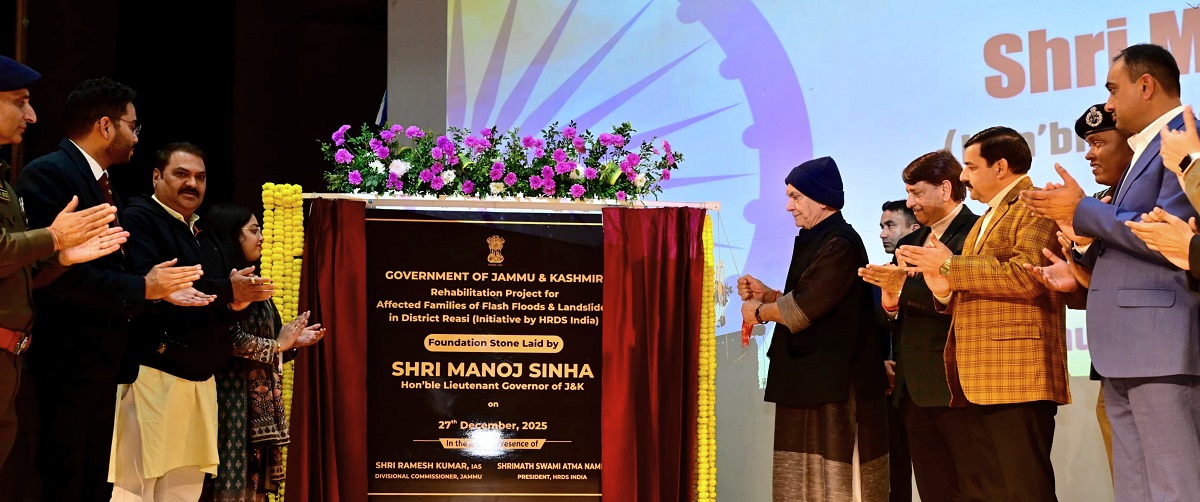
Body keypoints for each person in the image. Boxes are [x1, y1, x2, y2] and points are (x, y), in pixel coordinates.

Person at [1020, 44, 1200, 501]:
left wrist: (1081, 209)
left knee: (1175, 484)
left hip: (1161, 345)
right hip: (1126, 347)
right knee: (1133, 486)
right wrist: (1082, 250)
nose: (1109, 104)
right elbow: (1128, 243)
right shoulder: (1143, 150)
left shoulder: (1185, 141)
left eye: (1113, 90)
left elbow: (1167, 236)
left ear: (1146, 85)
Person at [14, 77, 202, 501]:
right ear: (105, 126)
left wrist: (155, 287)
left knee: (93, 480)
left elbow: (102, 265)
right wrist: (143, 288)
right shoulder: (49, 174)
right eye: (132, 126)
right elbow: (54, 275)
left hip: (97, 361)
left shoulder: (98, 179)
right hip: (63, 360)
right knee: (61, 480)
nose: (136, 137)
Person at [896, 127, 1073, 501]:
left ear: (1001, 167)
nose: (963, 176)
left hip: (1017, 376)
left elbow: (1027, 276)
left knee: (1024, 490)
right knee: (988, 491)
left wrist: (948, 267)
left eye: (971, 167)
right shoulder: (987, 217)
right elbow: (971, 287)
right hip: (981, 378)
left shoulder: (1035, 206)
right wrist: (940, 287)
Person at [109, 142, 275, 501]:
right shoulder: (139, 218)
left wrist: (237, 302)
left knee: (184, 492)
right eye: (181, 174)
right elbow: (150, 287)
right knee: (135, 491)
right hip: (152, 376)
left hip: (201, 380)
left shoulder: (202, 232)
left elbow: (212, 299)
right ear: (156, 176)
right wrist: (226, 290)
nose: (192, 184)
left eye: (200, 177)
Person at [0, 56, 129, 470]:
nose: (32, 115)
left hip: (15, 354)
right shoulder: (47, 173)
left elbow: (22, 269)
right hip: (59, 356)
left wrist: (61, 257)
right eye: (20, 101)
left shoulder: (4, 180)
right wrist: (54, 238)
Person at [738, 157, 889, 501]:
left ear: (822, 199)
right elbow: (811, 299)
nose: (788, 206)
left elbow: (804, 308)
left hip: (837, 385)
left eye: (795, 196)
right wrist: (771, 296)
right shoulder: (817, 237)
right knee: (802, 480)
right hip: (811, 378)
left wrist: (758, 312)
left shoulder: (840, 242)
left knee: (838, 484)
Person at [860, 150, 981, 502]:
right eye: (908, 193)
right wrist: (889, 301)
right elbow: (895, 320)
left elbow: (965, 301)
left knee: (970, 487)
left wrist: (903, 290)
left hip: (958, 384)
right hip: (911, 389)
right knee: (932, 489)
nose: (911, 203)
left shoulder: (976, 233)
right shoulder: (909, 244)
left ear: (945, 189)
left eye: (917, 193)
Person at [1028, 103, 1132, 479]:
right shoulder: (1100, 202)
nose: (1089, 154)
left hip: (1163, 358)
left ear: (1132, 142)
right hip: (1113, 363)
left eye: (1099, 143)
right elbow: (1094, 291)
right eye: (1088, 144)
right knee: (1128, 477)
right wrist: (1078, 266)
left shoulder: (1143, 200)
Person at [198, 202, 325, 502]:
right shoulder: (220, 284)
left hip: (256, 406)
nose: (262, 237)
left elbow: (271, 339)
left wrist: (292, 342)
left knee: (253, 489)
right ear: (232, 234)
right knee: (227, 485)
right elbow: (229, 339)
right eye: (254, 230)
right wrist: (278, 345)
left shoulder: (255, 285)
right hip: (228, 400)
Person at [874, 198, 919, 502]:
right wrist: (880, 363)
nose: (882, 233)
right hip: (890, 392)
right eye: (881, 226)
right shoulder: (876, 277)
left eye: (890, 225)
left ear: (914, 229)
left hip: (929, 391)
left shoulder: (933, 274)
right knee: (893, 478)